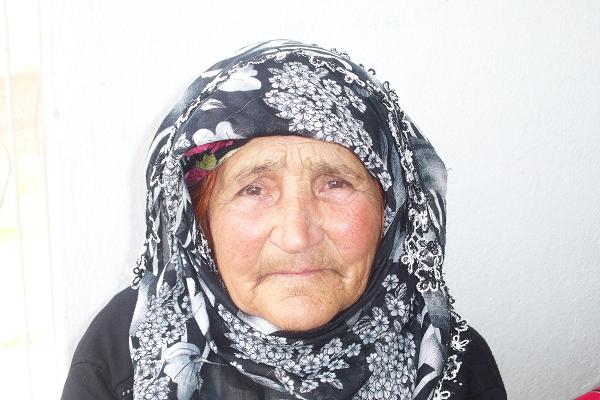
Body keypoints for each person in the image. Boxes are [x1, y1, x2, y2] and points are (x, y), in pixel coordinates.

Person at [61, 39, 506, 400]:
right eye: (253, 189)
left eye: (335, 183)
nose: (296, 236)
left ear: (391, 212)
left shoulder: (453, 365)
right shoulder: (122, 354)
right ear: (200, 223)